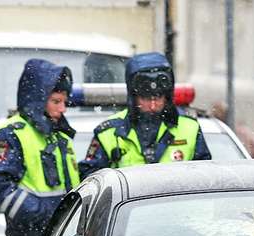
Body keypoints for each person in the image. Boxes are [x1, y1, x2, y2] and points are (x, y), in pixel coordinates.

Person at [0, 59, 78, 236]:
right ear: (37, 99)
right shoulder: (10, 133)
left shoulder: (60, 136)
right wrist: (48, 215)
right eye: (56, 101)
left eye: (64, 101)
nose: (62, 108)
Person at [78, 52, 211, 176]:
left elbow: (205, 178)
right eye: (146, 99)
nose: (153, 105)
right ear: (134, 97)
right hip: (128, 201)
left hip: (176, 201)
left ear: (167, 96)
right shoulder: (108, 132)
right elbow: (90, 180)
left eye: (158, 98)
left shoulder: (190, 127)